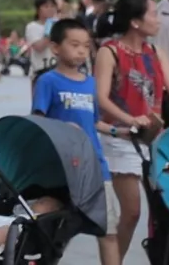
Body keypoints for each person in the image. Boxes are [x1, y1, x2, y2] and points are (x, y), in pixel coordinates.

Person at [32, 18, 120, 265]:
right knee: (56, 235)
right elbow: (37, 123)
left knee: (108, 231)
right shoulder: (48, 81)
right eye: (74, 45)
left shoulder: (91, 83)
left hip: (96, 168)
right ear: (55, 48)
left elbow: (94, 123)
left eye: (86, 46)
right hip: (63, 170)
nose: (82, 51)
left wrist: (119, 131)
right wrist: (63, 129)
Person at [94, 0, 169, 261]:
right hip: (120, 138)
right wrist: (130, 120)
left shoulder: (156, 52)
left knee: (159, 210)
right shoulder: (109, 52)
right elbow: (101, 99)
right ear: (135, 22)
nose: (158, 20)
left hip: (154, 140)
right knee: (131, 212)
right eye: (153, 14)